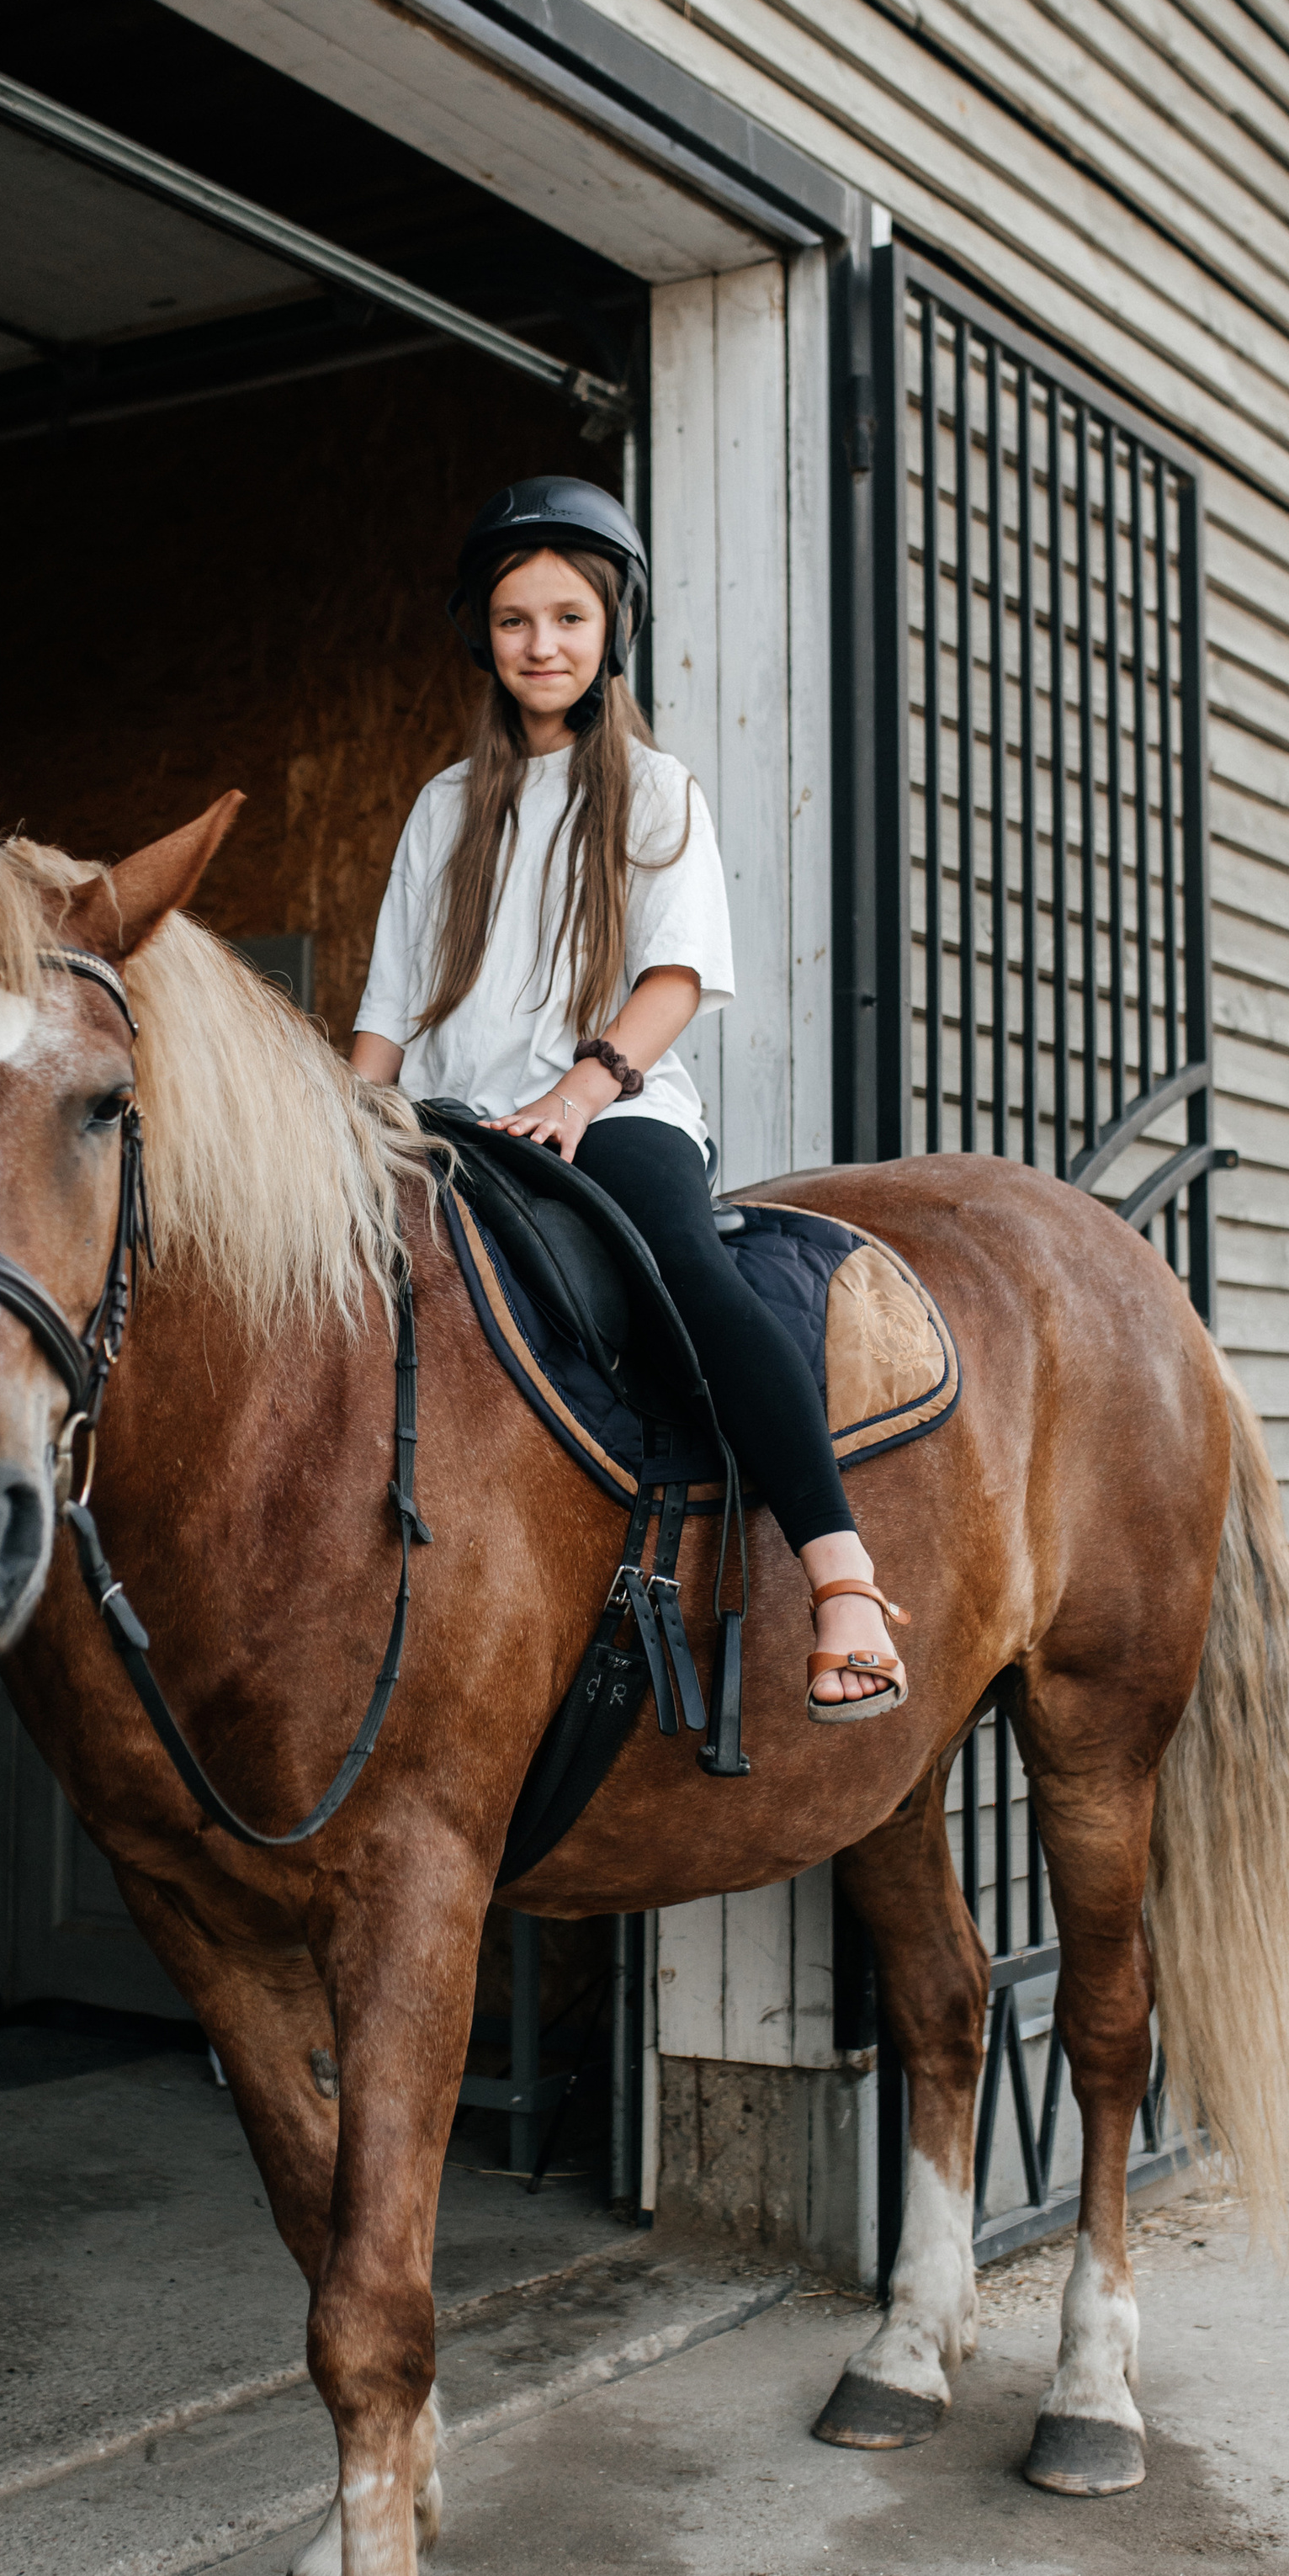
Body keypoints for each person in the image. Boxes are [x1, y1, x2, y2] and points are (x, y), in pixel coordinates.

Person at [348, 477, 906, 1722]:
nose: (541, 644)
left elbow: (676, 977)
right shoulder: (445, 807)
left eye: (567, 618)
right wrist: (341, 1125)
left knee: (685, 1272)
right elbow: (386, 1009)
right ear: (483, 638)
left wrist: (579, 1091)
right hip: (449, 1127)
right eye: (512, 621)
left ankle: (842, 1577)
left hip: (615, 1110)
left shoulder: (658, 791)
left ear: (612, 633)